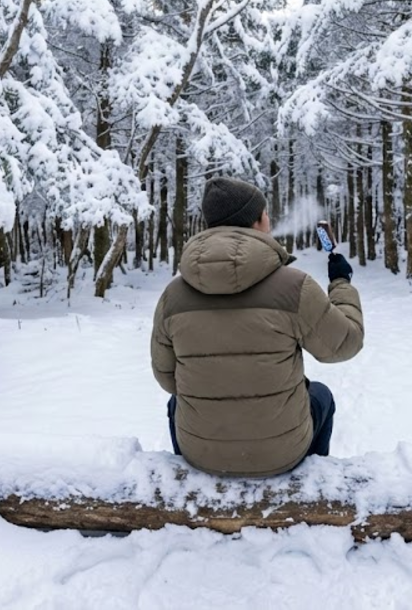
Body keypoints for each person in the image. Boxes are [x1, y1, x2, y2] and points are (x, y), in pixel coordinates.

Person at [150, 177, 365, 477]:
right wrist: (341, 284)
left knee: (177, 403)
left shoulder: (172, 296)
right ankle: (310, 483)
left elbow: (167, 377)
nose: (269, 220)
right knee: (322, 395)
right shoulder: (294, 287)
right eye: (265, 214)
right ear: (256, 222)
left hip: (199, 453)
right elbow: (346, 343)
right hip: (283, 454)